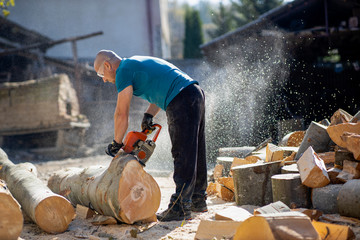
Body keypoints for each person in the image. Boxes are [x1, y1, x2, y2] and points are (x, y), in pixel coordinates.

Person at [93, 50, 207, 221]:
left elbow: (121, 113)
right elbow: (163, 85)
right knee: (195, 150)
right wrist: (149, 114)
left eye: (101, 73)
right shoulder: (134, 62)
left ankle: (181, 207)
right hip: (193, 92)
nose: (103, 79)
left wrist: (116, 143)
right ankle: (198, 199)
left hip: (181, 99)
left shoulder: (123, 71)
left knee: (182, 152)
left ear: (108, 65)